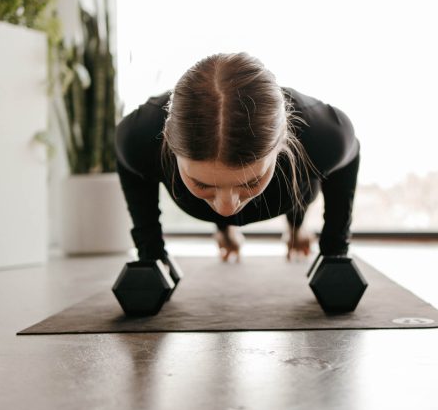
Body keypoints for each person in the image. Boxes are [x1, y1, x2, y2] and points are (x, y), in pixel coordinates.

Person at [114, 52, 360, 267]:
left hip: (286, 191)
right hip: (193, 200)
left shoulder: (325, 135)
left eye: (250, 181)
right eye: (203, 183)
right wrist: (151, 253)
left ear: (283, 141)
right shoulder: (139, 137)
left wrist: (334, 249)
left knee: (306, 172)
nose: (226, 207)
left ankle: (294, 226)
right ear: (167, 143)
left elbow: (348, 162)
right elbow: (131, 172)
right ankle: (225, 220)